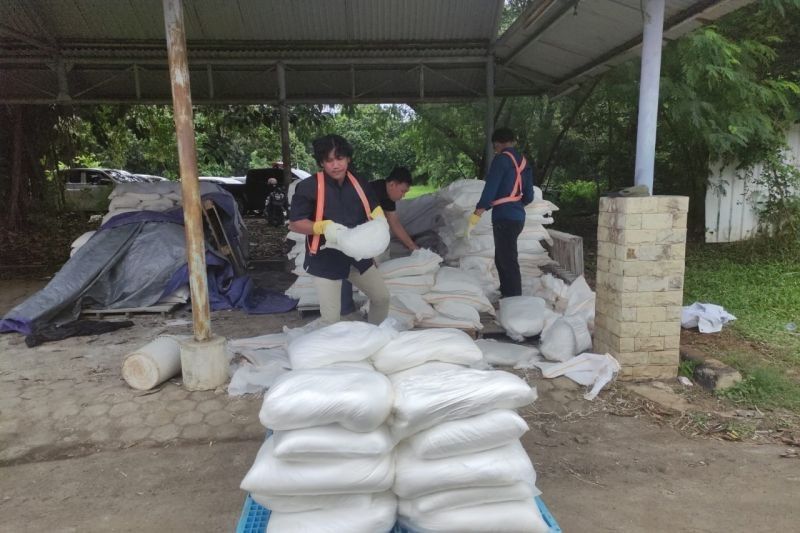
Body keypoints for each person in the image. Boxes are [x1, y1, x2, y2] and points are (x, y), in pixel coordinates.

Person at [289, 134, 390, 325]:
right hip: (325, 258)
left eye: (340, 158)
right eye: (329, 160)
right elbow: (295, 223)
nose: (335, 165)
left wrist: (380, 219)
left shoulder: (360, 182)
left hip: (357, 256)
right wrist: (322, 227)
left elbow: (373, 206)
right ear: (321, 163)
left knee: (382, 298)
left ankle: (377, 339)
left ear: (348, 158)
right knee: (331, 319)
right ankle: (332, 352)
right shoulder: (309, 186)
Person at [468, 127, 534, 298]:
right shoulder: (523, 162)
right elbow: (529, 196)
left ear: (497, 144)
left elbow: (491, 188)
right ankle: (506, 292)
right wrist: (516, 204)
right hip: (518, 216)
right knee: (503, 257)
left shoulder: (501, 160)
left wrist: (480, 208)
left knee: (507, 259)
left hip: (504, 217)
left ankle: (513, 298)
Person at [370, 167, 418, 251]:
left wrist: (412, 246)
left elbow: (394, 223)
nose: (403, 196)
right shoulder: (373, 192)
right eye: (402, 191)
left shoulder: (388, 196)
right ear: (392, 184)